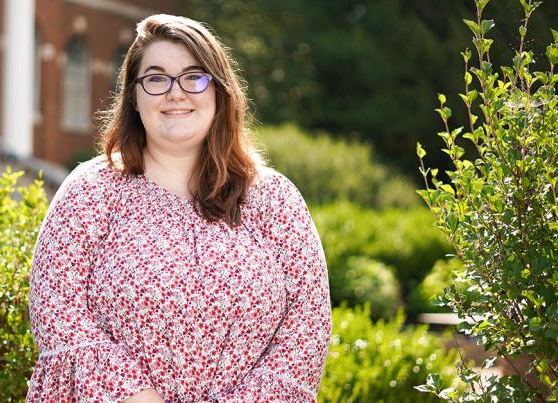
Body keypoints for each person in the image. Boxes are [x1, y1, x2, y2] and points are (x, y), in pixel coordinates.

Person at [27, 14, 331, 403]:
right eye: (156, 78)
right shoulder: (91, 191)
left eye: (194, 76)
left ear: (220, 92)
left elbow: (307, 327)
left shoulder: (274, 199)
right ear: (134, 98)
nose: (176, 93)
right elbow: (57, 310)